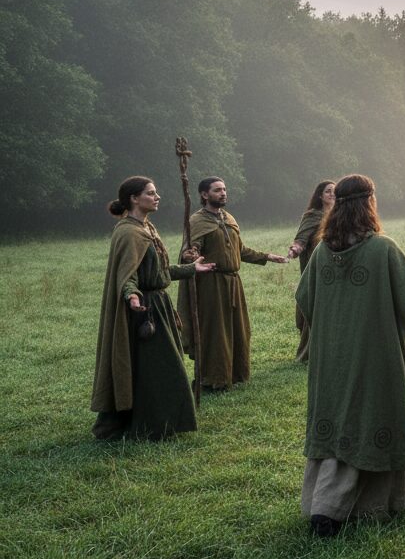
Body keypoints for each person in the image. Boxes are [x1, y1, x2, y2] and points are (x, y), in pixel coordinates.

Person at [297, 174, 405, 536]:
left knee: (342, 419)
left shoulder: (321, 251)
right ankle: (334, 510)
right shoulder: (382, 248)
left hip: (330, 361)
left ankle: (396, 497)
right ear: (370, 203)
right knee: (367, 419)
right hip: (374, 356)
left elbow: (304, 300)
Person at [93, 176, 214, 440]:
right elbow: (128, 276)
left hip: (158, 305)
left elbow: (159, 272)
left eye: (156, 192)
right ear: (134, 199)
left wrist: (192, 269)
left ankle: (159, 424)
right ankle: (149, 425)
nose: (157, 196)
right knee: (161, 368)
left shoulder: (147, 228)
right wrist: (132, 296)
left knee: (157, 368)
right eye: (150, 193)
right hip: (142, 311)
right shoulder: (127, 232)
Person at [178, 177, 287, 390]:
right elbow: (189, 251)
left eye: (224, 189)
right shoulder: (197, 221)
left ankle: (234, 375)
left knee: (238, 329)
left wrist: (267, 256)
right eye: (217, 190)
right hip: (211, 282)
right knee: (215, 332)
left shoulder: (228, 218)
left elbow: (241, 250)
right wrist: (191, 255)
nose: (223, 193)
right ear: (204, 194)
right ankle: (211, 379)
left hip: (233, 283)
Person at [288, 180, 335, 363]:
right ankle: (308, 353)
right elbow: (301, 238)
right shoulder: (313, 215)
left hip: (335, 267)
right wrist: (295, 249)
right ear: (320, 195)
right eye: (328, 191)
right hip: (315, 267)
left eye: (334, 191)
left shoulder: (339, 215)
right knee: (315, 309)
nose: (332, 194)